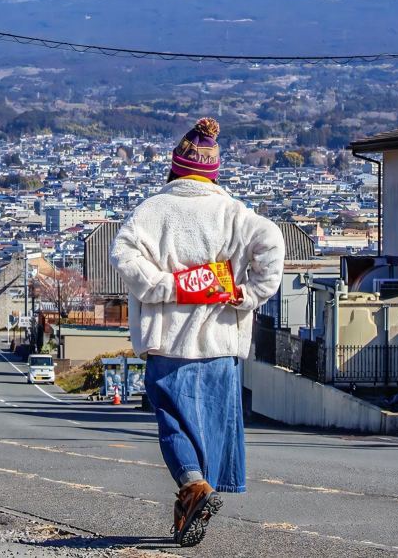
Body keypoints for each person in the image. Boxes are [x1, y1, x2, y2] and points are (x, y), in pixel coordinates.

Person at [110, 118, 285, 547]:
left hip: (168, 340)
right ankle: (198, 491)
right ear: (213, 173)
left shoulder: (151, 211)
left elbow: (123, 257)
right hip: (221, 342)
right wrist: (246, 294)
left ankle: (193, 487)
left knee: (174, 423)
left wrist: (166, 287)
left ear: (174, 168)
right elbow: (274, 244)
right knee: (213, 424)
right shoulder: (234, 213)